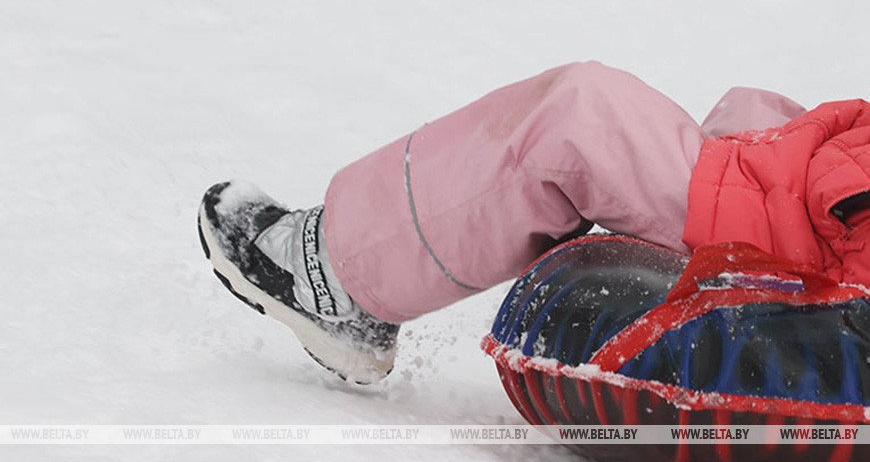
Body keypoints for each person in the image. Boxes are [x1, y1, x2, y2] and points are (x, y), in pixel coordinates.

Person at [197, 61, 870, 384]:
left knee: (580, 119)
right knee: (755, 108)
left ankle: (344, 281)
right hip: (817, 196)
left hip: (820, 243)